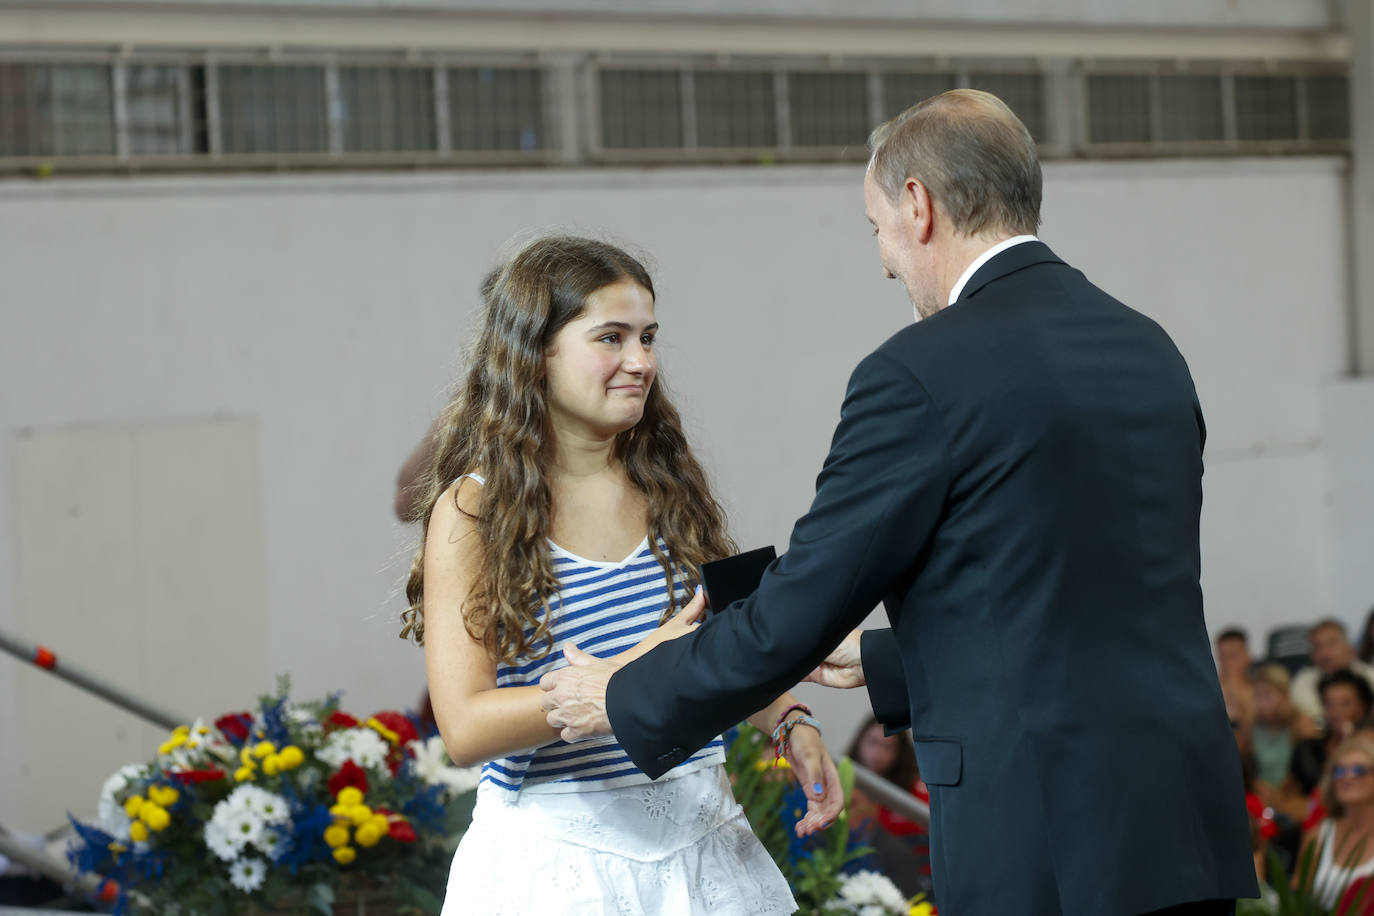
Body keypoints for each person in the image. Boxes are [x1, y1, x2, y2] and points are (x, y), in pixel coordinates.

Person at [539, 89, 1257, 915]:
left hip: (1044, 839)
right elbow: (1088, 594)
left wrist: (624, 693)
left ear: (917, 206)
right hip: (1183, 827)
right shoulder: (1146, 346)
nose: (882, 258)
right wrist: (885, 661)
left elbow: (793, 612)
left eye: (875, 227)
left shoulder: (917, 372)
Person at [402, 236, 840, 915]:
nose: (640, 362)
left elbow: (718, 639)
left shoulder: (663, 479)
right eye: (611, 337)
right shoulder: (473, 509)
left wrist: (789, 719)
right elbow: (463, 727)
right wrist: (629, 674)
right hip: (558, 865)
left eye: (648, 337)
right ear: (534, 352)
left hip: (703, 845)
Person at [1278, 670, 1374, 825]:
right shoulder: (1306, 749)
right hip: (1310, 827)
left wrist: (1350, 743)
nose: (1336, 711)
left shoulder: (1371, 752)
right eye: (1330, 704)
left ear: (1363, 707)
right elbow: (1284, 797)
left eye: (1345, 703)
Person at [1302, 737, 1374, 913]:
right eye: (1339, 771)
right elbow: (1296, 900)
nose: (1347, 777)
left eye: (1359, 770)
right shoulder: (1317, 835)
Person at [1249, 663, 1319, 791]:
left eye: (1267, 694)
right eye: (1257, 696)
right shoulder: (1251, 727)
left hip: (1294, 795)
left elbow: (1309, 771)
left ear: (1285, 695)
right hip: (1260, 794)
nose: (1262, 703)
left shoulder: (1301, 724)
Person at [1292, 620, 1374, 723]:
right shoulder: (1304, 681)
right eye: (1317, 647)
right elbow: (1311, 719)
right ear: (1311, 655)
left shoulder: (1370, 675)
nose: (1325, 653)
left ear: (1349, 648)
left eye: (1331, 644)